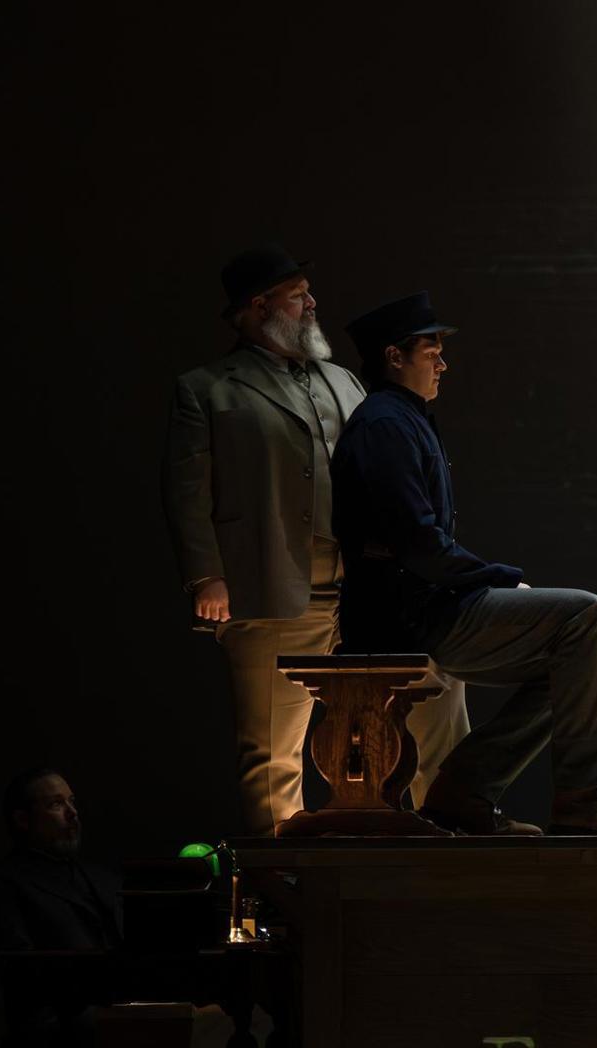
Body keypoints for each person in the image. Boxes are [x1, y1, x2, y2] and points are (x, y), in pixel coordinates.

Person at [333, 292, 597, 836]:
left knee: (570, 657)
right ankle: (582, 799)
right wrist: (500, 577)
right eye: (430, 350)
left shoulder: (405, 419)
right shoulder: (383, 426)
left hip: (420, 603)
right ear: (394, 357)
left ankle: (465, 792)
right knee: (581, 615)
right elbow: (417, 544)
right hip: (403, 616)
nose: (443, 362)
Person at [162, 245, 468, 834]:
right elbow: (187, 490)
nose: (313, 303)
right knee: (274, 751)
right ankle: (280, 890)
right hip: (272, 587)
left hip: (366, 590)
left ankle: (447, 843)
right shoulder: (209, 389)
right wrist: (206, 575)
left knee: (431, 703)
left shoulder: (345, 380)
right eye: (299, 294)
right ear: (259, 306)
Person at [0, 769, 120, 1048]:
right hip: (58, 1037)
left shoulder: (102, 879)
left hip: (116, 1014)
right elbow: (16, 971)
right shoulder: (3, 884)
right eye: (56, 805)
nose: (72, 814)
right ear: (22, 820)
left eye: (72, 802)